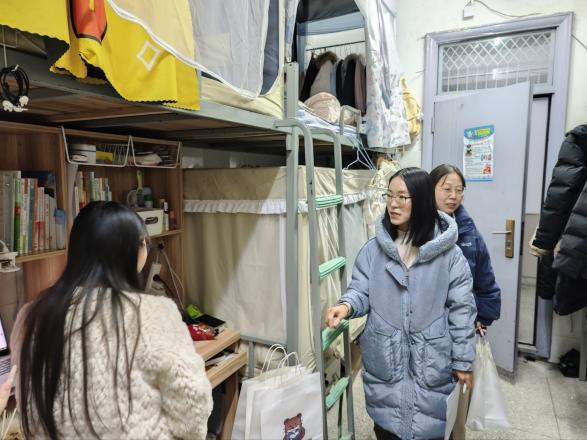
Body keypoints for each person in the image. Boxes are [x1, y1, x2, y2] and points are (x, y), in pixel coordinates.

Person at [11, 201, 212, 439]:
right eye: (144, 243)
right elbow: (193, 407)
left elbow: (27, 406)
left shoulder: (31, 316)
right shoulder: (154, 313)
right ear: (131, 251)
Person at [326, 167, 477, 440]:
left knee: (430, 429)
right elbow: (361, 289)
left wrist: (463, 361)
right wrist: (346, 306)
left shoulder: (450, 256)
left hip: (432, 364)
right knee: (387, 429)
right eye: (389, 195)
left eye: (402, 197)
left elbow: (462, 311)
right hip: (386, 363)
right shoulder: (373, 250)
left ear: (421, 200)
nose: (393, 204)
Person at [430, 164, 502, 440]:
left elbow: (485, 279)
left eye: (459, 190)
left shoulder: (469, 232)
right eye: (446, 189)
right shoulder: (419, 227)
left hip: (460, 329)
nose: (453, 196)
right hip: (427, 329)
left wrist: (483, 316)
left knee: (457, 407)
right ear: (430, 190)